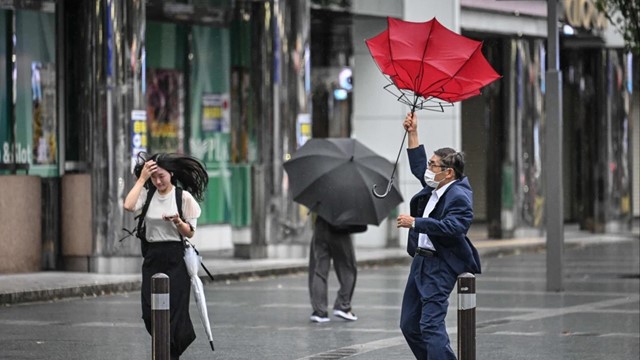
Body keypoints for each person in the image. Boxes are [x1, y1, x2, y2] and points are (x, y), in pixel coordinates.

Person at [395, 112, 481, 360]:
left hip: (439, 264)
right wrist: (413, 133)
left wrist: (416, 223)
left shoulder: (459, 196)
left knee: (431, 325)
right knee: (409, 325)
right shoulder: (437, 185)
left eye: (434, 165)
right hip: (420, 261)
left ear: (449, 173)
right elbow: (418, 166)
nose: (429, 170)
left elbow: (454, 227)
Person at [123, 152, 208, 360]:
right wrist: (142, 179)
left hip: (176, 259)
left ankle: (169, 354)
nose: (158, 181)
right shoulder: (147, 194)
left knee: (175, 314)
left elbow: (190, 232)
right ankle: (171, 347)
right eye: (154, 177)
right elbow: (128, 205)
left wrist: (178, 222)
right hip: (152, 257)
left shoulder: (183, 197)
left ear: (171, 174)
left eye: (162, 176)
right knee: (149, 313)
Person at [308, 214, 366, 323]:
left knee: (319, 270)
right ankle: (342, 305)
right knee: (348, 268)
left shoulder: (322, 196)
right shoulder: (350, 196)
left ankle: (319, 312)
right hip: (340, 228)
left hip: (321, 225)